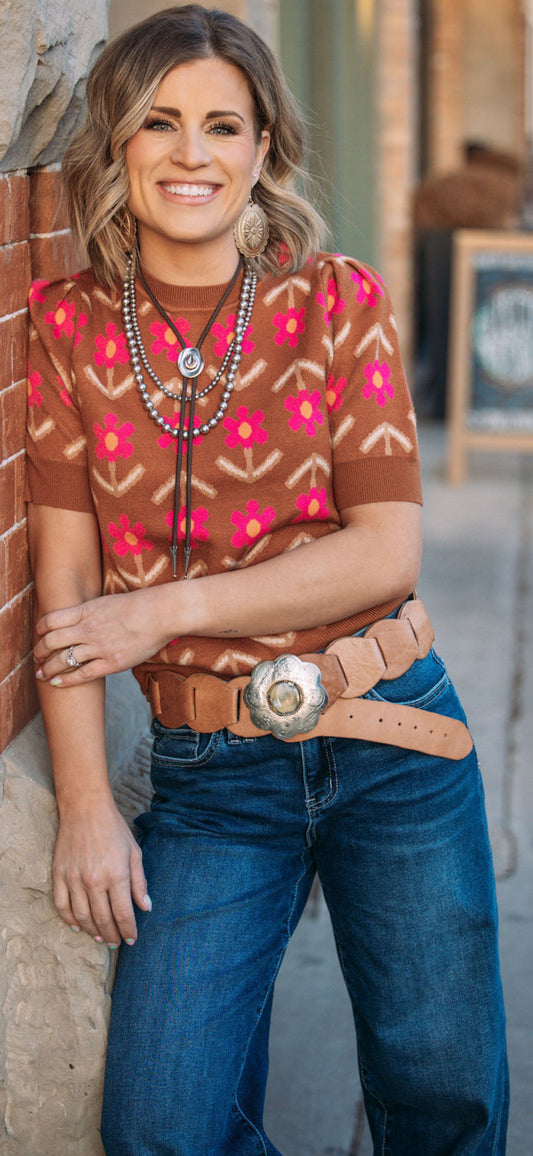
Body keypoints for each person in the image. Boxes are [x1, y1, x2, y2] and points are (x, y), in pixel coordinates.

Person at [26, 6, 508, 1154]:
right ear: (116, 145)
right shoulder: (65, 328)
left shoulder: (331, 301)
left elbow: (382, 550)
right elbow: (62, 593)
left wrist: (160, 612)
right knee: (159, 1127)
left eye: (221, 125)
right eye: (159, 122)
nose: (191, 153)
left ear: (262, 151)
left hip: (392, 737)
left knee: (441, 1099)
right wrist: (88, 808)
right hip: (209, 775)